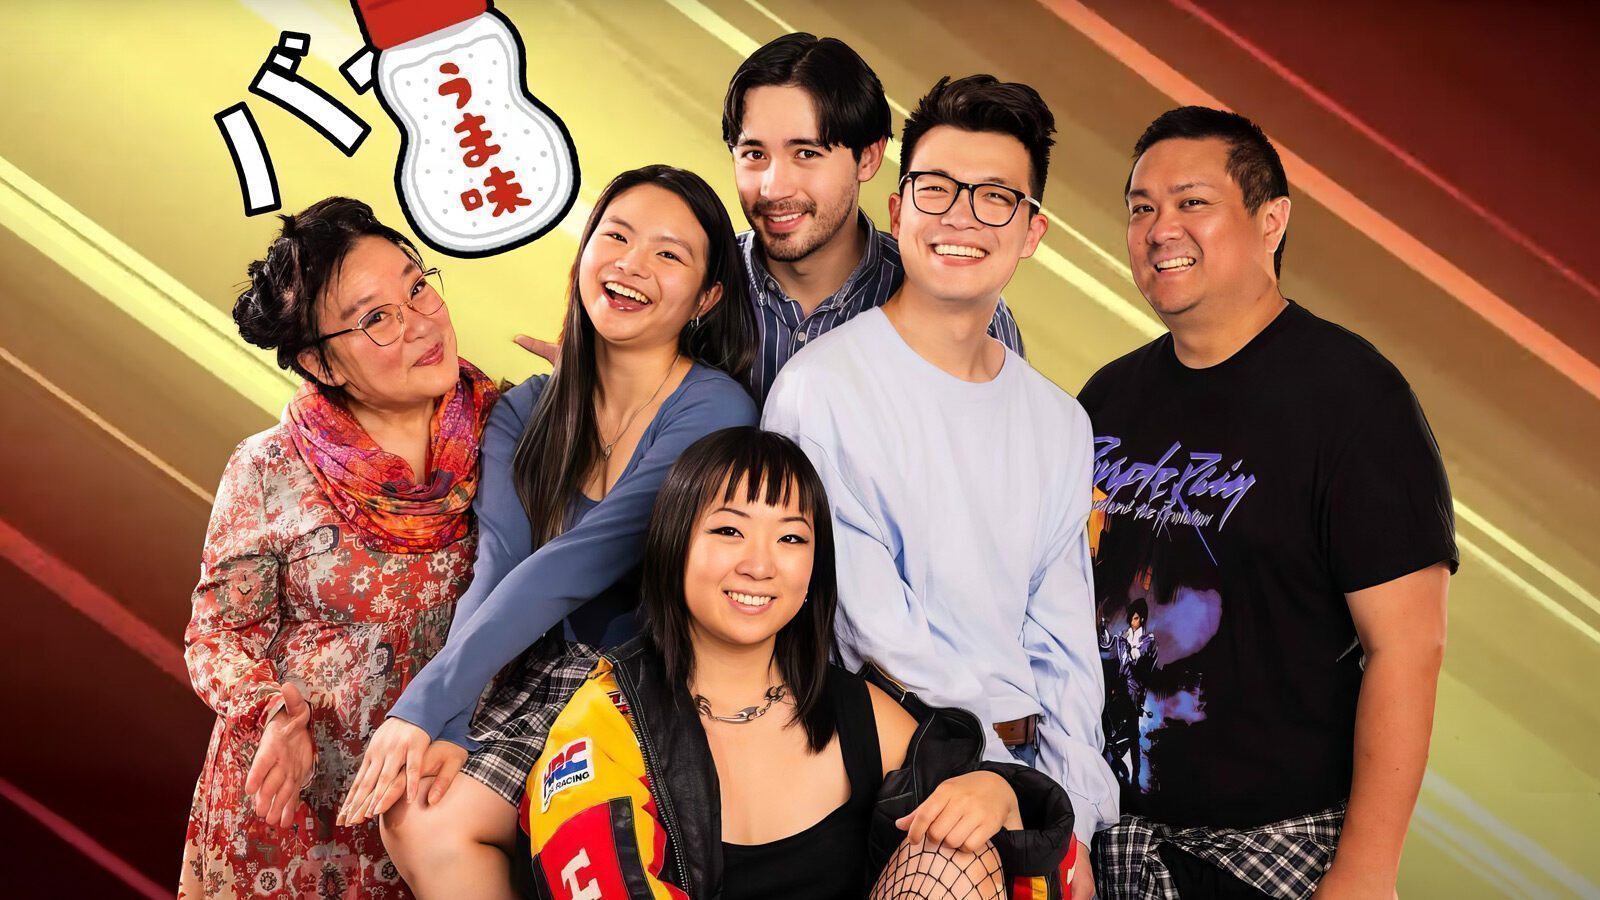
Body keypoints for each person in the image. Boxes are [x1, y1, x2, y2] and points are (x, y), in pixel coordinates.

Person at [339, 165, 760, 896]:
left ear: (707, 297)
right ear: (583, 252)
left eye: (670, 254)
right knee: (416, 808)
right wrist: (450, 717)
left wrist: (424, 704)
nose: (631, 265)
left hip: (654, 683)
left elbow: (574, 562)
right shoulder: (525, 409)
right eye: (616, 237)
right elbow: (499, 566)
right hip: (544, 672)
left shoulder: (714, 410)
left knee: (494, 822)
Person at [1080, 106, 1456, 899]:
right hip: (1111, 835)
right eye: (1140, 208)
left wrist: (1364, 872)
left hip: (1274, 853)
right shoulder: (1107, 398)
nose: (1158, 229)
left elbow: (1408, 650)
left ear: (1272, 219)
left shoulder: (1355, 399)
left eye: (1192, 202)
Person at [762, 75, 1117, 899]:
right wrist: (1006, 779)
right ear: (896, 209)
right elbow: (872, 632)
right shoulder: (823, 392)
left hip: (1027, 781)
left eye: (996, 197)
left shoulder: (1059, 421)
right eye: (936, 189)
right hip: (894, 771)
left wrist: (1072, 810)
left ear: (1034, 232)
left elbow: (1065, 648)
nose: (960, 216)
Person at [522, 427, 1079, 899]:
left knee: (962, 849)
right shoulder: (605, 722)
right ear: (674, 544)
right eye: (728, 530)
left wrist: (998, 795)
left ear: (814, 570)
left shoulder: (859, 710)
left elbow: (1014, 831)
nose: (760, 564)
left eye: (791, 537)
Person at [180, 198, 500, 898]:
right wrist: (274, 712)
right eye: (377, 318)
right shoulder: (267, 467)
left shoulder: (508, 432)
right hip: (290, 810)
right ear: (320, 364)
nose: (421, 323)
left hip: (436, 802)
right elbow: (217, 635)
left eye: (417, 286)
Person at [516, 33, 1024, 400]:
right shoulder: (690, 286)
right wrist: (593, 395)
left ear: (868, 158)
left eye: (807, 153)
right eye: (754, 154)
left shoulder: (968, 317)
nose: (774, 188)